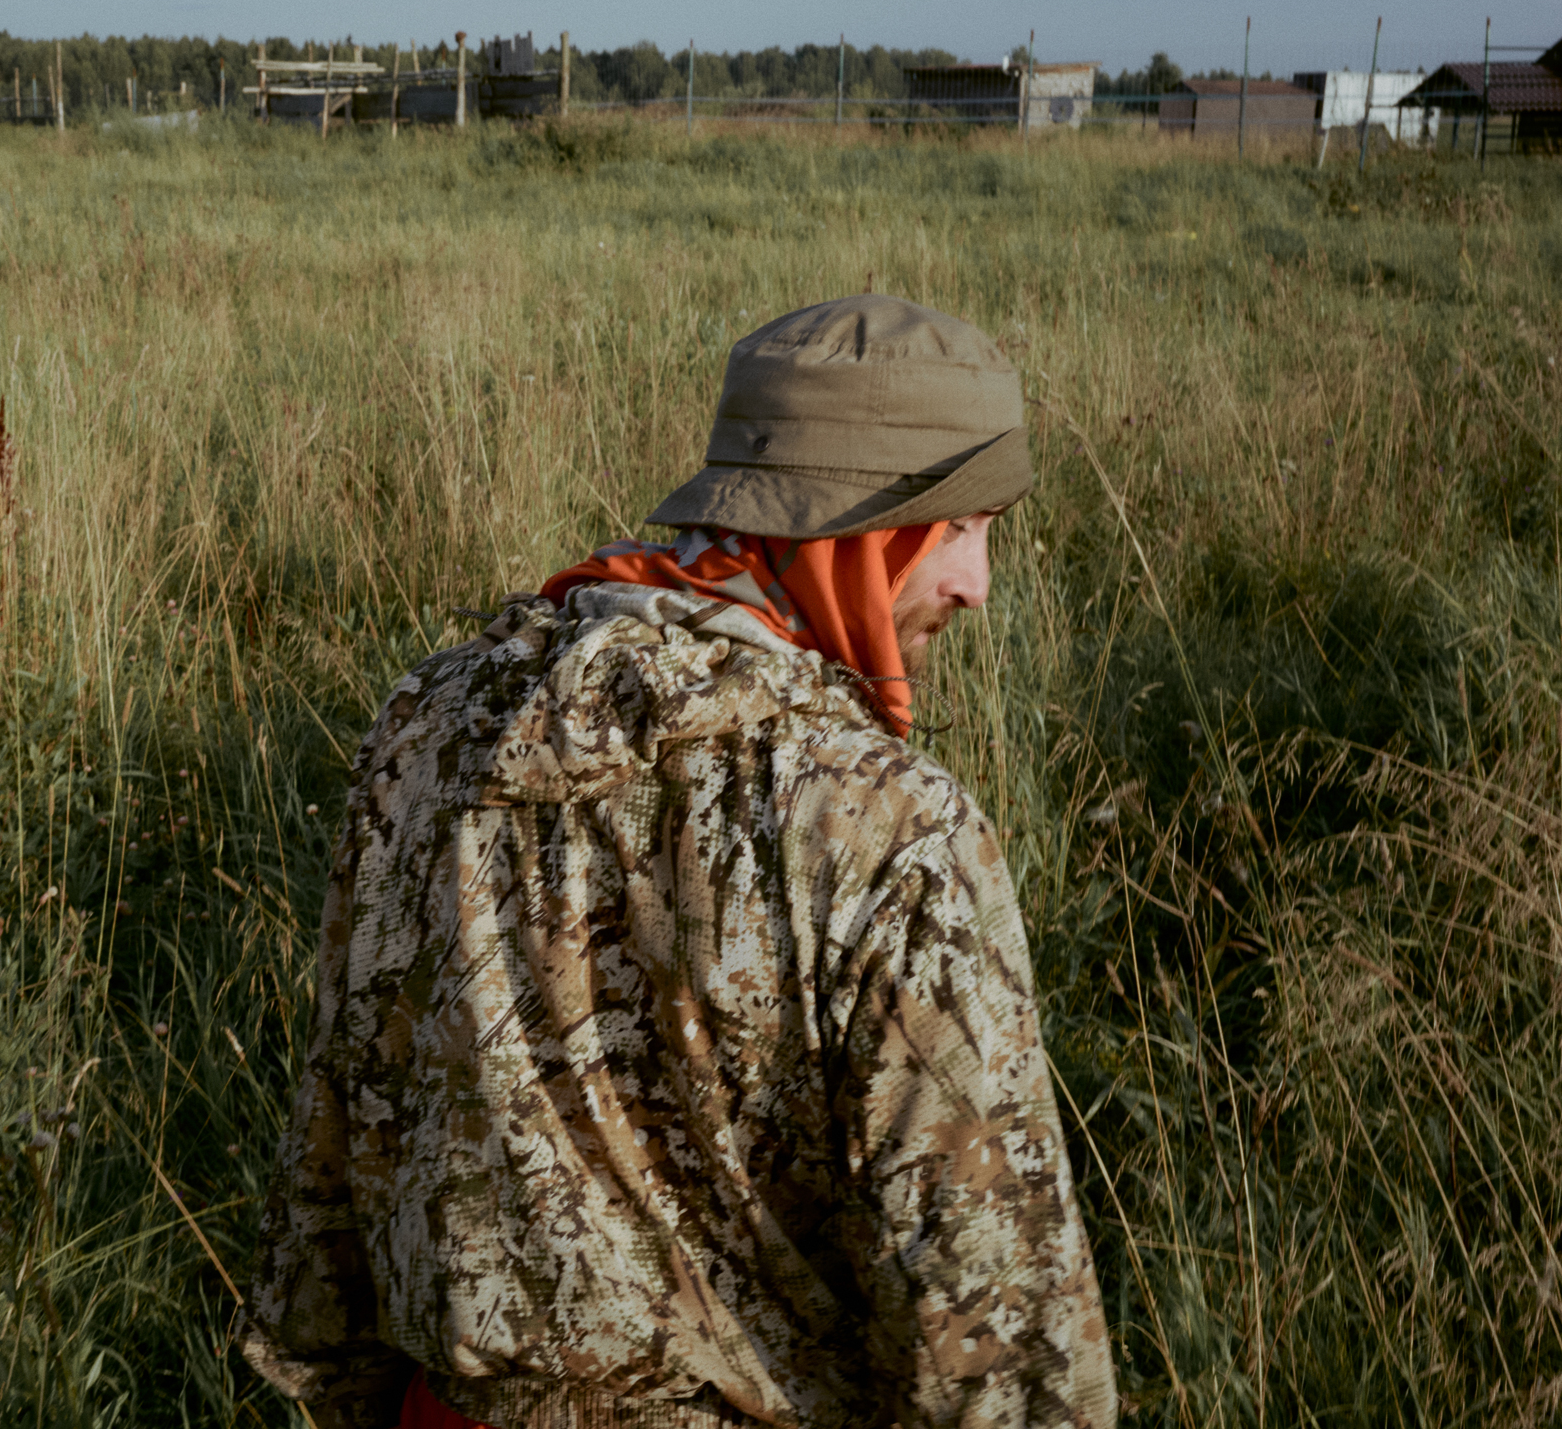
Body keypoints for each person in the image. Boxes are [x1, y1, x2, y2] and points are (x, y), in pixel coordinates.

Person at [242, 295, 1115, 1429]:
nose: (977, 584)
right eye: (960, 527)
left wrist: (341, 1389)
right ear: (865, 534)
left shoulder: (433, 720)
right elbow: (992, 1309)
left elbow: (344, 1122)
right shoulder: (888, 826)